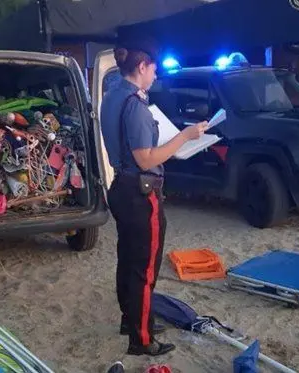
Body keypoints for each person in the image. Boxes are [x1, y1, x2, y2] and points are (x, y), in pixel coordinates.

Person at [100, 37, 209, 356]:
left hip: (122, 186)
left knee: (128, 259)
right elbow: (146, 158)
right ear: (141, 67)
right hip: (140, 192)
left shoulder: (112, 95)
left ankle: (131, 319)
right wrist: (185, 137)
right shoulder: (134, 104)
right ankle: (142, 338)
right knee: (145, 267)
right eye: (154, 69)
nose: (156, 75)